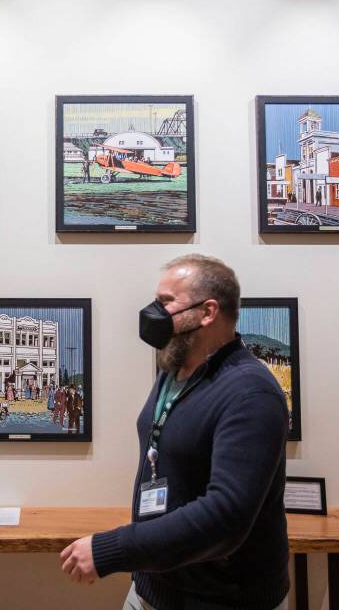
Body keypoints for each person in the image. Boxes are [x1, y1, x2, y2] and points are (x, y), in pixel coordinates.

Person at [60, 254, 289, 610]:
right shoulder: (174, 371)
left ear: (207, 312)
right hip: (153, 589)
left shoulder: (251, 393)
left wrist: (112, 551)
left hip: (222, 601)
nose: (154, 312)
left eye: (166, 302)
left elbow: (226, 515)